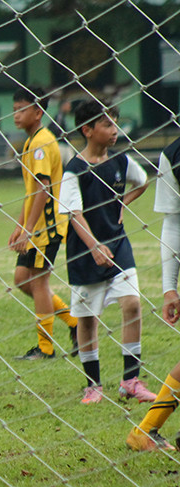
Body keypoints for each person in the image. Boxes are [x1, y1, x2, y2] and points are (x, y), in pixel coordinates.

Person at [59, 99, 152, 405]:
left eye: (115, 123)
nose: (115, 130)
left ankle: (130, 380)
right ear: (87, 130)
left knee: (132, 304)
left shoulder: (122, 162)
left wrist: (124, 203)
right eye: (107, 124)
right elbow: (74, 214)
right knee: (87, 319)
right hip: (84, 253)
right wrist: (94, 246)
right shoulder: (74, 170)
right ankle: (93, 385)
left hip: (118, 244)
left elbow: (142, 181)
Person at [9, 86, 79, 361]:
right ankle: (74, 322)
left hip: (47, 227)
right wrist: (20, 224)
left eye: (22, 110)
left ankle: (45, 348)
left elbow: (43, 189)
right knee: (21, 279)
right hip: (35, 226)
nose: (16, 115)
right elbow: (31, 191)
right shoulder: (32, 140)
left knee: (38, 282)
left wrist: (29, 229)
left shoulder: (40, 143)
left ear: (38, 112)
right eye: (14, 110)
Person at [125, 136, 180, 451]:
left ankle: (146, 430)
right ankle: (145, 431)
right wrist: (169, 287)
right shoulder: (173, 154)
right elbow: (174, 222)